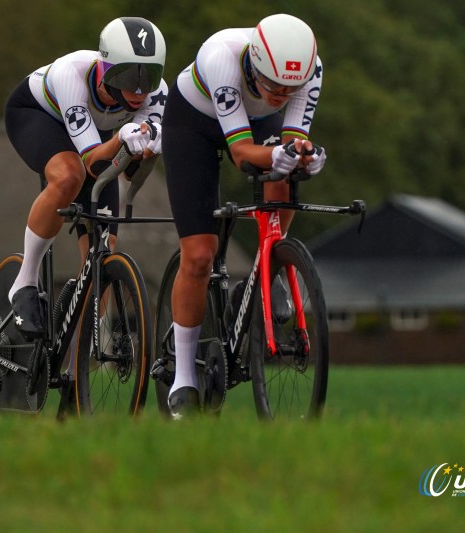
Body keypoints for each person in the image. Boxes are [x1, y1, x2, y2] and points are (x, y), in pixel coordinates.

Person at [161, 14, 327, 417]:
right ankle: (183, 377)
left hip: (251, 120)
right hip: (194, 125)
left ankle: (267, 270)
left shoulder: (309, 71)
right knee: (200, 255)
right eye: (272, 85)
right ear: (253, 64)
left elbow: (292, 140)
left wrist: (305, 155)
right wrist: (280, 154)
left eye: (289, 89)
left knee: (286, 174)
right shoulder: (222, 57)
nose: (279, 94)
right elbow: (241, 154)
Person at [3, 17, 168, 412]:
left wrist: (149, 143)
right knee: (68, 176)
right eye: (130, 76)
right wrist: (120, 141)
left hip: (100, 142)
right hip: (39, 117)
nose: (140, 88)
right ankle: (24, 280)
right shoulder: (72, 75)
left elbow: (132, 162)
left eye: (150, 76)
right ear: (106, 67)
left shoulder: (154, 93)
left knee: (103, 254)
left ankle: (74, 370)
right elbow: (92, 162)